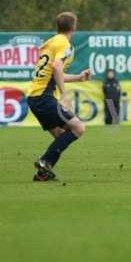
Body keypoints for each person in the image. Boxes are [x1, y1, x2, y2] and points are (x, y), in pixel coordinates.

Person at [27, 12, 91, 181]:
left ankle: (43, 172)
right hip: (44, 97)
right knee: (78, 128)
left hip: (34, 97)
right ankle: (44, 161)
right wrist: (65, 95)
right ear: (74, 27)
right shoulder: (64, 43)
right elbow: (56, 67)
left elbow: (55, 72)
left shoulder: (52, 42)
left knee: (61, 135)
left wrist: (78, 77)